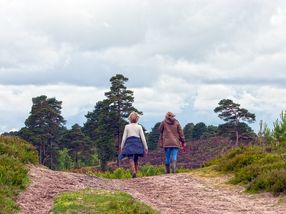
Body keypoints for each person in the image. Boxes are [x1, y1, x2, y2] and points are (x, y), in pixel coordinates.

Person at [119, 111, 148, 178]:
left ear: (130, 118)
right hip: (137, 143)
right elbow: (143, 138)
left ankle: (133, 172)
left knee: (130, 158)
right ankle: (135, 173)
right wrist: (146, 147)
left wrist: (122, 146)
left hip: (129, 143)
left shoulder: (127, 126)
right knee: (136, 159)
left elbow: (124, 138)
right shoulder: (139, 127)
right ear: (137, 118)